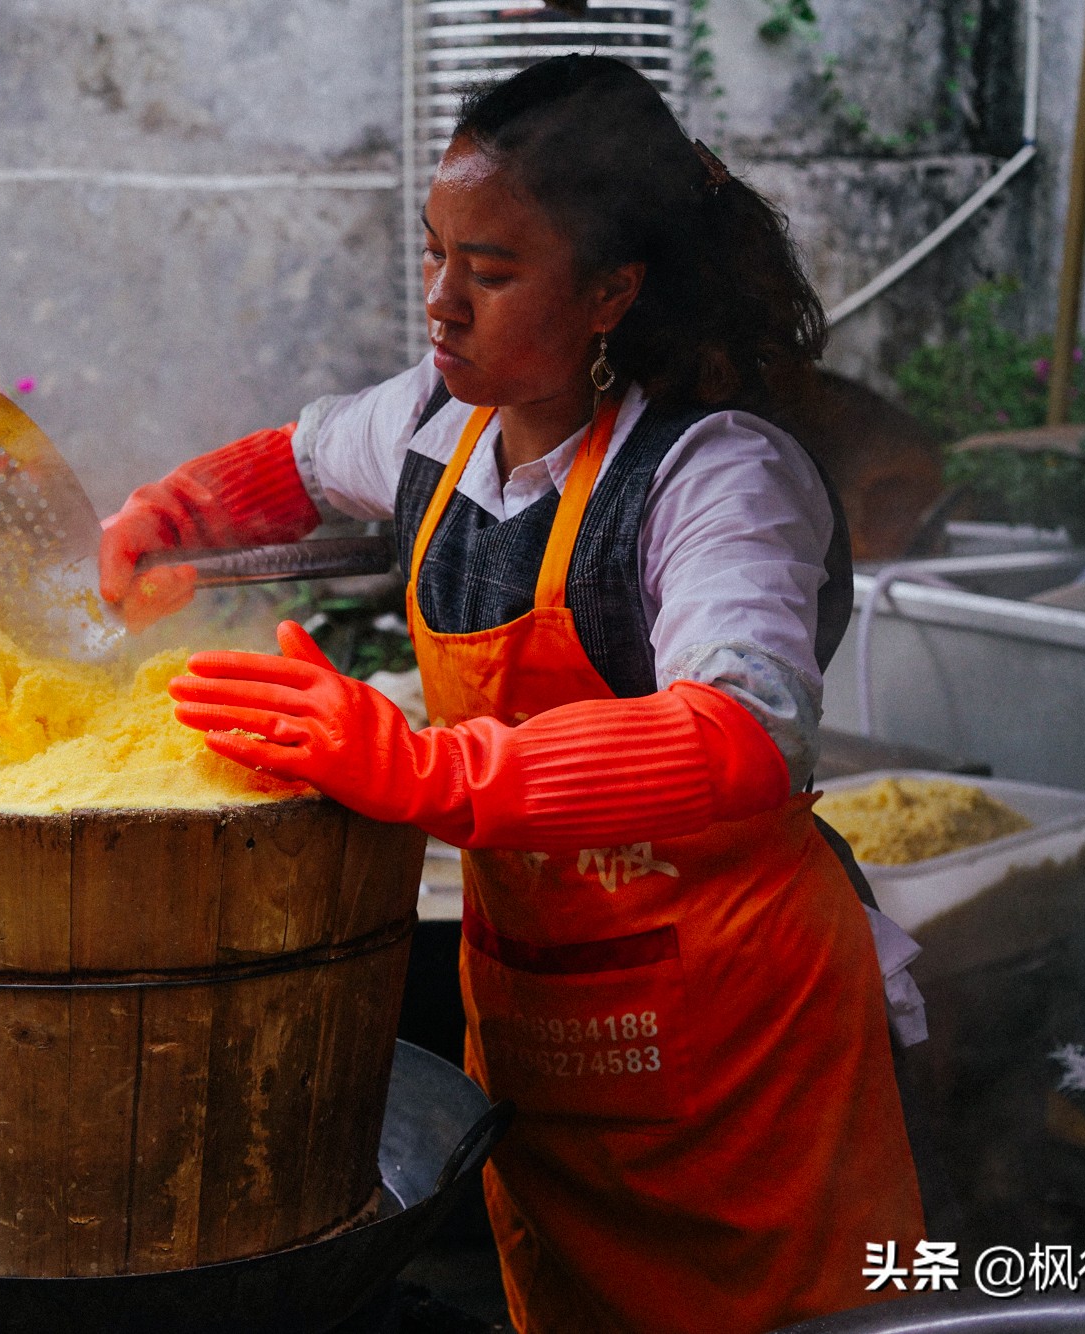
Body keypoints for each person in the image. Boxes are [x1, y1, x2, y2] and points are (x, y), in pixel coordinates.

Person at [99, 54, 925, 1334]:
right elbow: (303, 460)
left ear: (611, 290)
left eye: (488, 272)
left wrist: (434, 770)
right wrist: (173, 513)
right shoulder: (444, 420)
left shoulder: (716, 473)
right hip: (544, 1021)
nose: (439, 303)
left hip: (737, 1043)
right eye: (434, 255)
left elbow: (745, 733)